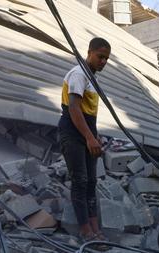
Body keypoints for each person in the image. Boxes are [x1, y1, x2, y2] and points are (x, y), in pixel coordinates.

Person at [58, 37, 111, 241]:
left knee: (90, 182)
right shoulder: (79, 74)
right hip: (72, 134)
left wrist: (94, 136)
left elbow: (89, 114)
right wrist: (89, 138)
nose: (103, 61)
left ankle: (95, 228)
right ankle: (85, 230)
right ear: (89, 52)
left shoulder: (91, 77)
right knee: (79, 181)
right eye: (100, 56)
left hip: (85, 134)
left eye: (106, 58)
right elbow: (73, 108)